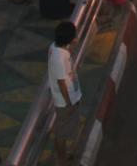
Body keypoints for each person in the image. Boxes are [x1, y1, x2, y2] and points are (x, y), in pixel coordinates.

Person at [46, 20, 83, 165]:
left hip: (69, 98)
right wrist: (69, 104)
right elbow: (62, 83)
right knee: (61, 132)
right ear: (71, 39)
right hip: (64, 102)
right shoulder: (59, 58)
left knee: (64, 130)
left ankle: (63, 155)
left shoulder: (55, 47)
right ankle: (61, 160)